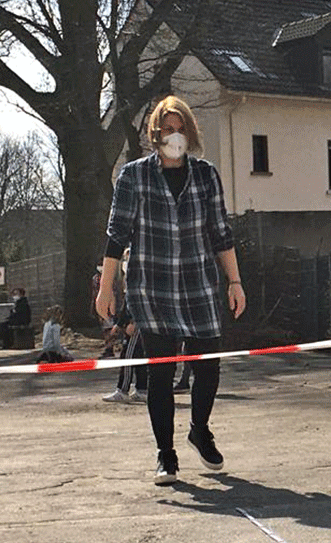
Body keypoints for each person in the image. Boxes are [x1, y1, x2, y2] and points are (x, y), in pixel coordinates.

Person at [95, 95, 246, 486]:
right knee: (160, 375)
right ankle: (166, 454)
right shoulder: (133, 176)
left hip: (198, 283)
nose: (174, 135)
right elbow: (117, 236)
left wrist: (235, 281)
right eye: (167, 128)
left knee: (207, 366)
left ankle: (200, 428)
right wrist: (106, 288)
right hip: (153, 287)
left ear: (189, 133)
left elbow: (220, 233)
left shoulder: (206, 175)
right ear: (155, 134)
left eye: (180, 129)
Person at [102, 297, 147, 404]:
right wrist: (119, 324)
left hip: (137, 325)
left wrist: (134, 322)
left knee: (127, 356)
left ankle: (122, 390)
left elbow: (140, 302)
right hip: (133, 323)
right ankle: (142, 389)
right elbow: (127, 305)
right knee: (139, 356)